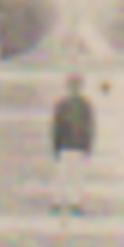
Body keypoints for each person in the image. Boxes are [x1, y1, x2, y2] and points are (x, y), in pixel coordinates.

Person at [51, 74, 96, 214]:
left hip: (72, 145)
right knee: (65, 175)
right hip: (70, 144)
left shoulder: (66, 104)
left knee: (73, 175)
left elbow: (89, 126)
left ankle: (70, 202)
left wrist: (87, 144)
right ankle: (62, 201)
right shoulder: (82, 105)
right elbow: (57, 126)